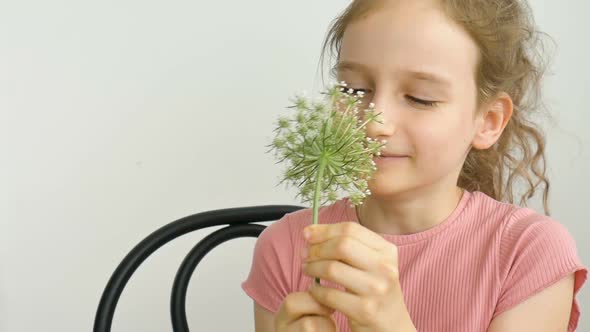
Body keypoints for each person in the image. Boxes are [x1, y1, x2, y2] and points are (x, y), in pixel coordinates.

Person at [242, 0, 588, 331]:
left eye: (420, 98)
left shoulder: (528, 252)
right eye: (355, 90)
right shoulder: (287, 247)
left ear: (488, 121)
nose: (376, 123)